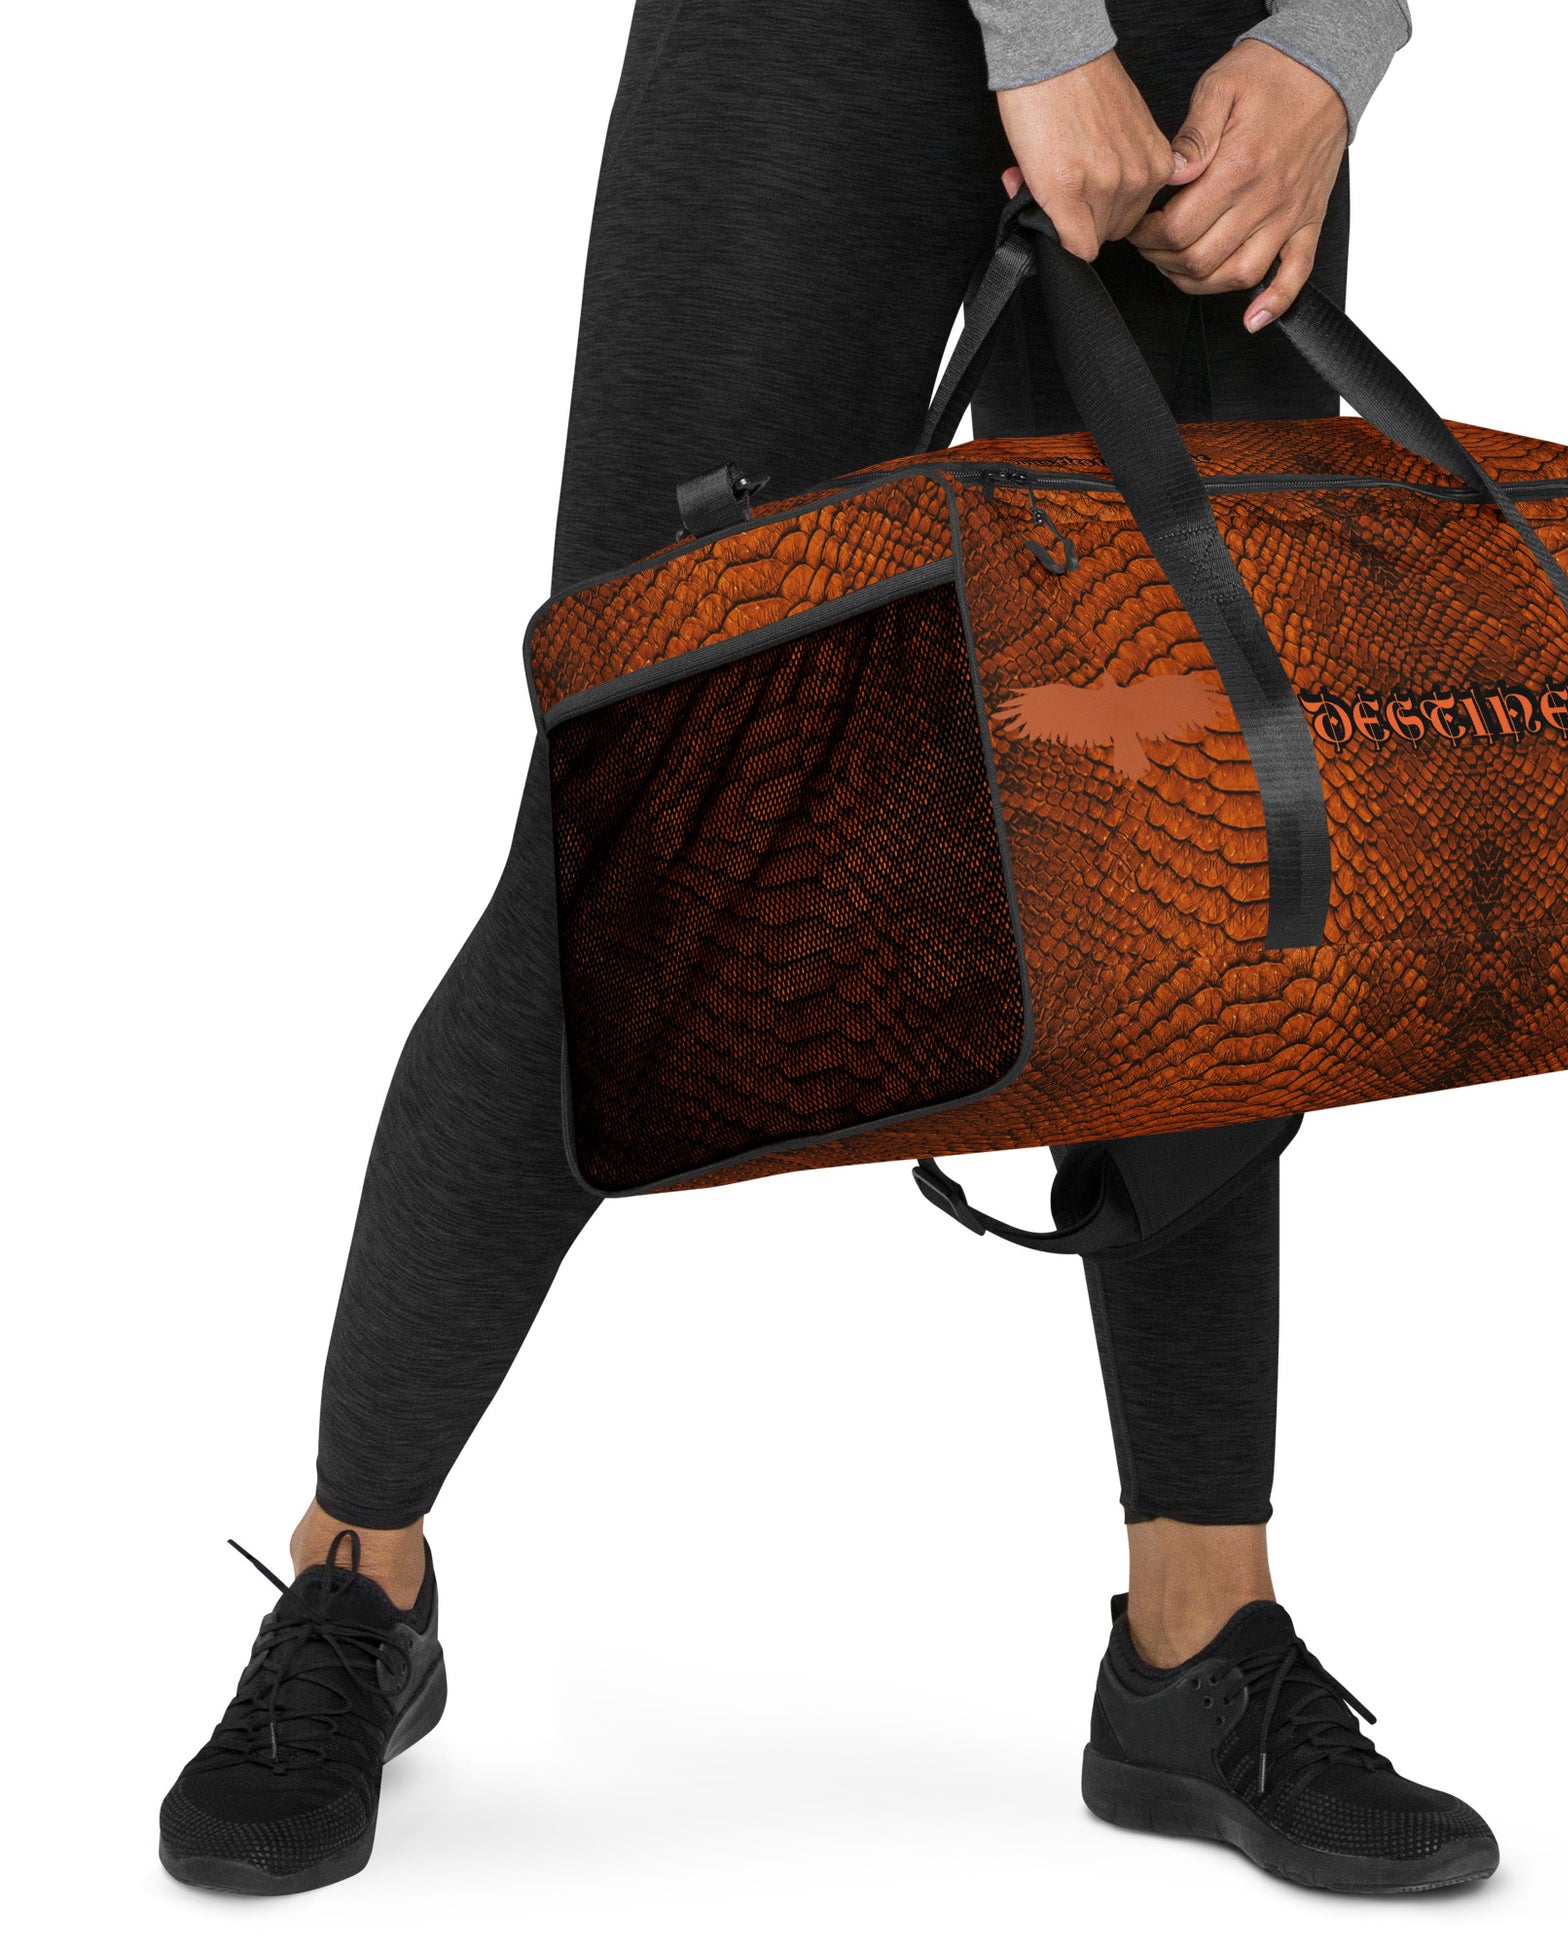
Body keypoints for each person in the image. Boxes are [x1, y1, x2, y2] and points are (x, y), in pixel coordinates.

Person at [160, 0, 1494, 1902]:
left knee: (1194, 835)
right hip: (823, 41)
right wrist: (1041, 30)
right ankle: (355, 1575)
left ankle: (1197, 1638)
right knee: (643, 818)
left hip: (1225, 71)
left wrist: (1335, 41)